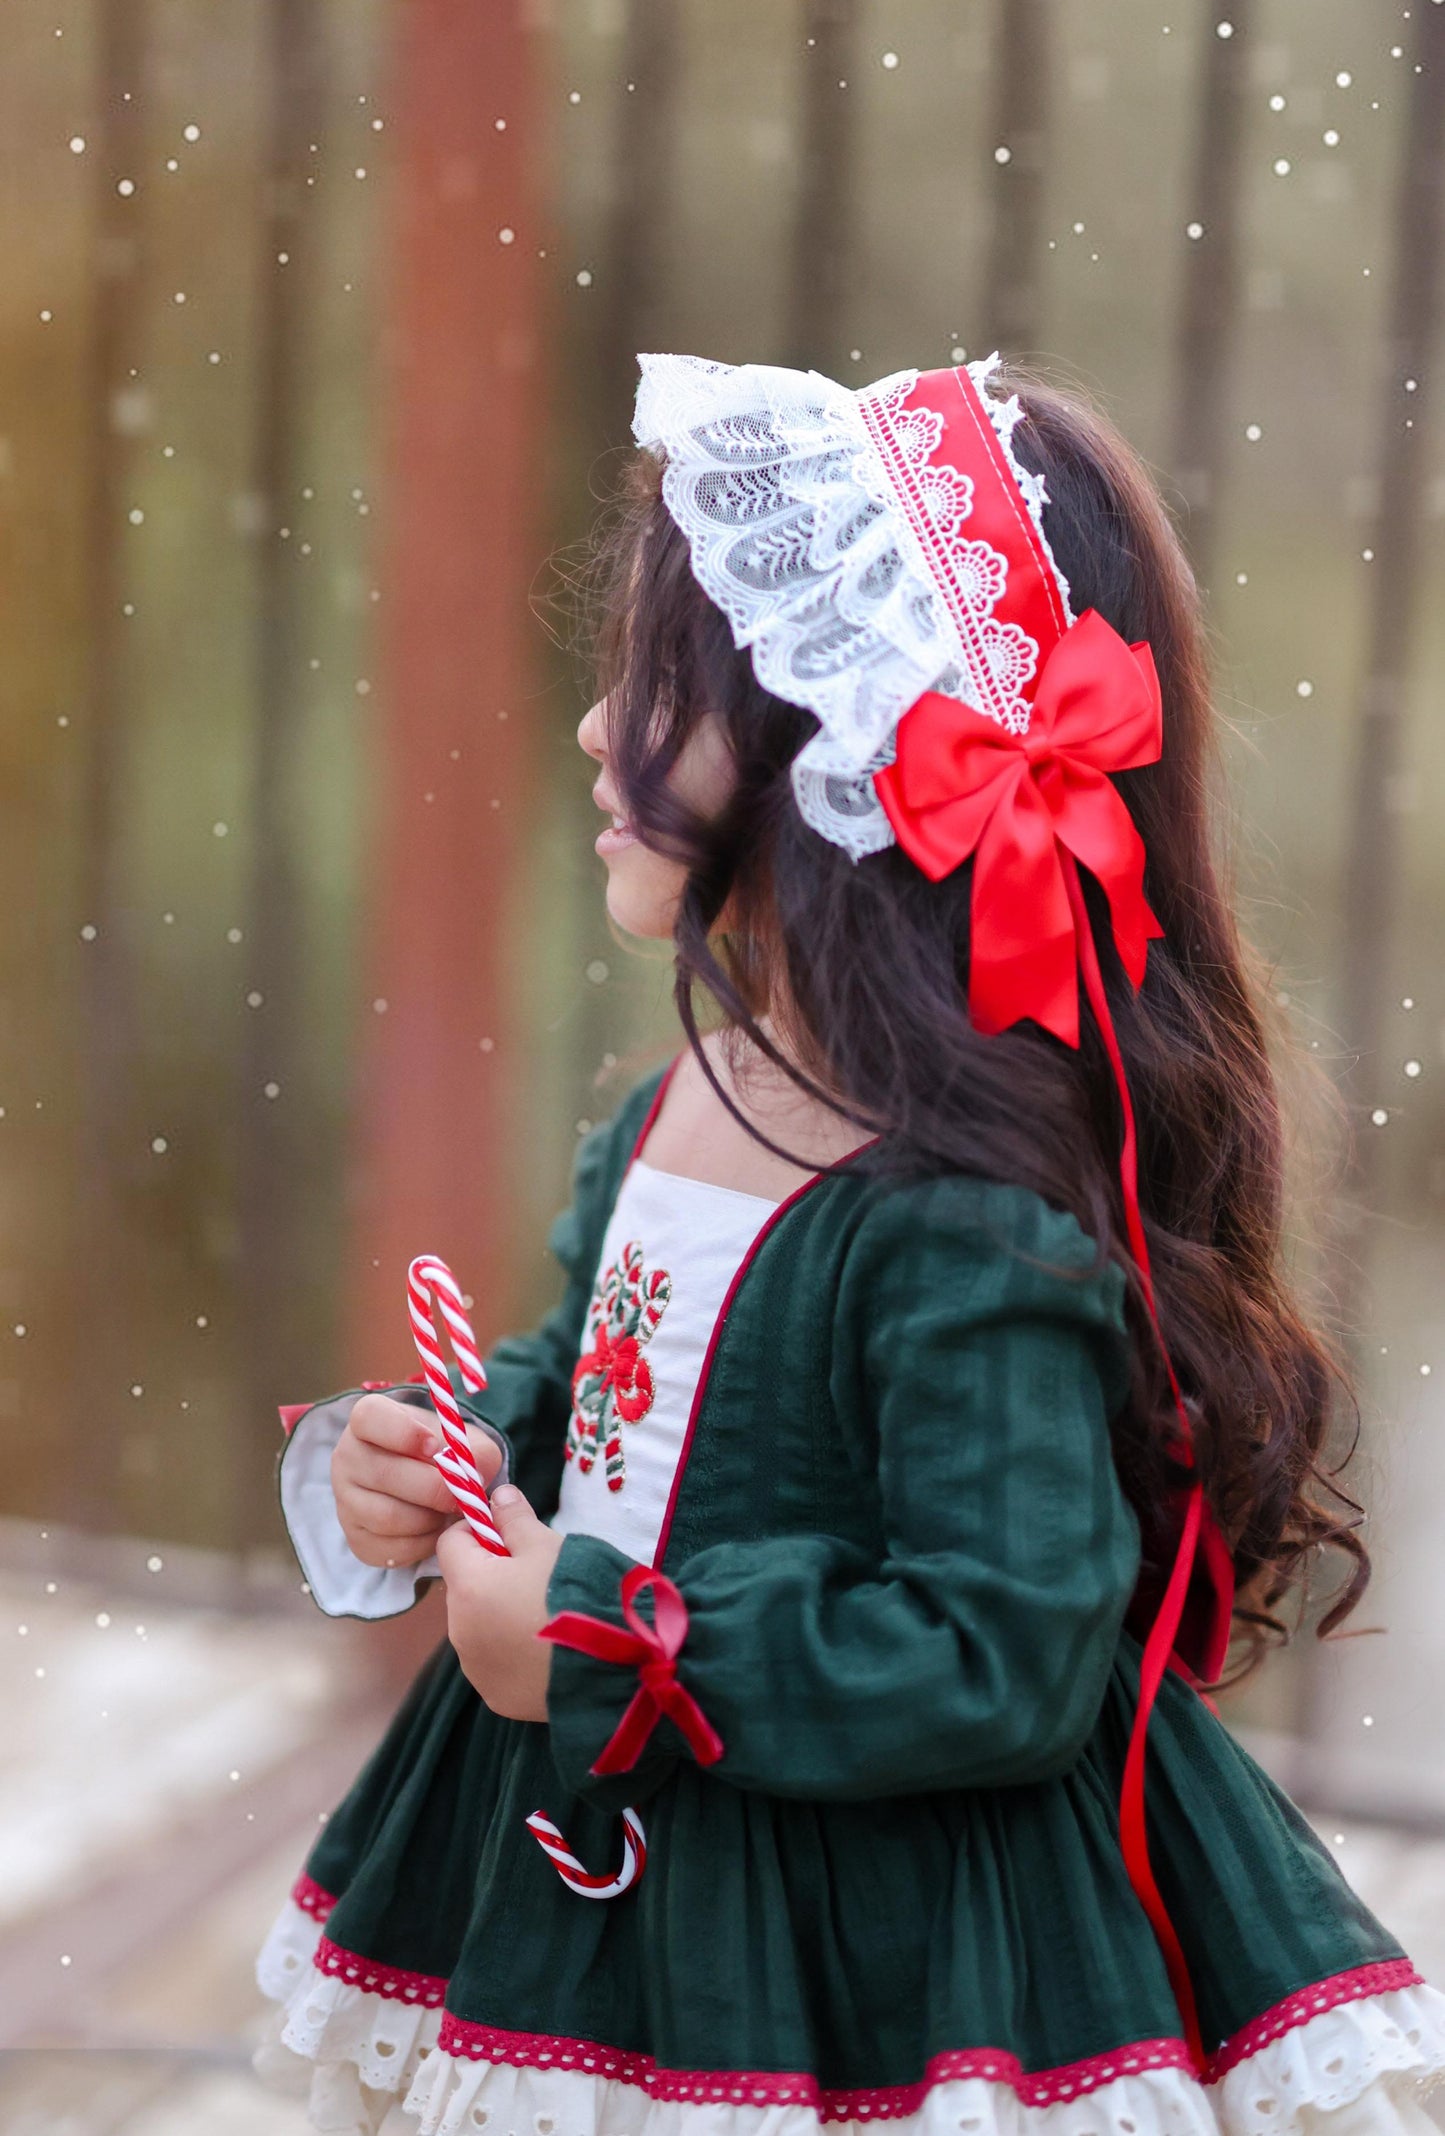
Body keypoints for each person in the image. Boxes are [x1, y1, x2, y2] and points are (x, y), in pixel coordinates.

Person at [255, 352, 1445, 2136]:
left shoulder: (970, 1216)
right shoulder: (678, 1108)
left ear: (834, 749)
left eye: (657, 691)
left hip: (867, 1957)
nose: (594, 733)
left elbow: (999, 1641)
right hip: (586, 1869)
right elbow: (600, 1394)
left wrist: (605, 1641)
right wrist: (451, 1457)